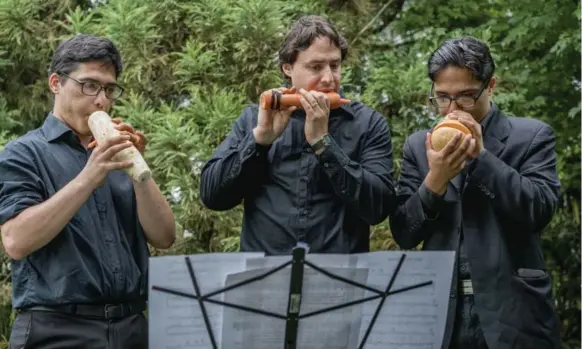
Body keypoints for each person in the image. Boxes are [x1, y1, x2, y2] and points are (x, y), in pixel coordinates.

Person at [0, 34, 176, 349]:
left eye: (109, 89)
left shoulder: (118, 152)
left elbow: (164, 237)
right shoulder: (22, 153)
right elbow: (16, 241)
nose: (102, 101)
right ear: (56, 83)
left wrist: (139, 172)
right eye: (90, 85)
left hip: (132, 327)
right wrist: (90, 175)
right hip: (57, 330)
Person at [390, 36, 561, 349]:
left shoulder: (531, 136)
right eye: (442, 98)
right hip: (442, 314)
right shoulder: (419, 146)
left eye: (466, 97)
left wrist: (482, 158)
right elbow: (404, 232)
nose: (452, 109)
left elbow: (539, 211)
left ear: (490, 86)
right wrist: (435, 181)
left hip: (514, 313)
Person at [200, 15, 395, 255]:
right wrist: (259, 141)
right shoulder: (254, 119)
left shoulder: (368, 124)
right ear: (288, 68)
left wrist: (324, 144)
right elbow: (212, 197)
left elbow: (379, 209)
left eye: (335, 65)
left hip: (341, 284)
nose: (328, 78)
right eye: (315, 67)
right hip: (264, 282)